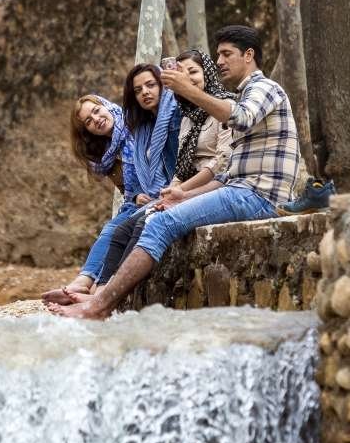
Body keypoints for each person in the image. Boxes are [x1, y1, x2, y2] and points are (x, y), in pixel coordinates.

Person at [46, 26, 311, 320]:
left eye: (226, 54)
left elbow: (238, 121)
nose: (220, 61)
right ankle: (98, 295)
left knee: (160, 223)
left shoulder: (263, 89)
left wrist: (188, 90)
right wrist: (181, 193)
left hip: (258, 198)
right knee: (144, 219)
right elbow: (228, 176)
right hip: (242, 191)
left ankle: (100, 304)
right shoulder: (238, 97)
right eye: (218, 54)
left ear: (248, 56)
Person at [94, 50, 234, 286]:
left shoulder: (222, 107)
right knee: (119, 231)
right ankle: (99, 290)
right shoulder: (188, 117)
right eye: (138, 90)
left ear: (207, 74)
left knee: (144, 223)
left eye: (194, 72)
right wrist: (171, 190)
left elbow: (220, 163)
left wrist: (180, 191)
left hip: (214, 186)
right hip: (182, 188)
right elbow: (181, 165)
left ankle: (109, 295)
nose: (145, 93)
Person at [40, 67, 180, 303]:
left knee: (117, 230)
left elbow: (161, 163)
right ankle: (84, 283)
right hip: (135, 203)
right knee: (110, 230)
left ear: (106, 105)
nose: (96, 119)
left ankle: (95, 286)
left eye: (96, 110)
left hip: (163, 192)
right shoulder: (105, 152)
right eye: (88, 121)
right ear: (86, 131)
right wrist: (135, 196)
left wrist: (143, 194)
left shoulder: (135, 126)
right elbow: (130, 190)